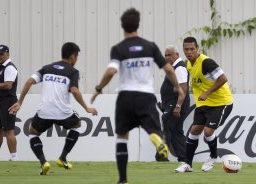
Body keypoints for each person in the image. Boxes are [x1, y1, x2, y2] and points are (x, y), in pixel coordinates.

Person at [90, 8, 184, 184]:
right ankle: (157, 138)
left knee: (122, 136)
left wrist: (98, 89)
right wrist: (178, 87)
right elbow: (169, 69)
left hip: (125, 96)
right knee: (153, 129)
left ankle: (123, 179)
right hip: (145, 96)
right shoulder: (150, 46)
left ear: (122, 26)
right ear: (138, 24)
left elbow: (111, 71)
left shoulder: (118, 48)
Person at [8, 42, 98, 175]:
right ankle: (62, 158)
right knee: (77, 124)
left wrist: (20, 102)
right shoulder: (73, 71)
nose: (76, 60)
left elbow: (29, 82)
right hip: (63, 113)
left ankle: (44, 162)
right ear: (72, 56)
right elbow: (74, 90)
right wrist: (86, 108)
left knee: (32, 133)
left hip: (44, 112)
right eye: (77, 56)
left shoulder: (47, 68)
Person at [175, 37, 233, 172]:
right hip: (203, 104)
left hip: (221, 103)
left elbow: (223, 78)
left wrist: (207, 93)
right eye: (186, 49)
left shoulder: (206, 62)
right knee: (194, 130)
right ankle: (187, 164)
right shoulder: (189, 64)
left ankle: (213, 156)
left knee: (207, 131)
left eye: (192, 49)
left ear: (197, 49)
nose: (189, 52)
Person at [156, 45, 190, 162]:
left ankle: (161, 156)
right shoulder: (174, 67)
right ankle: (184, 157)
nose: (167, 57)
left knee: (167, 128)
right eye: (165, 55)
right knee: (176, 131)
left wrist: (177, 106)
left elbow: (183, 88)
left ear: (177, 55)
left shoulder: (179, 67)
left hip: (175, 104)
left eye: (169, 55)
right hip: (172, 104)